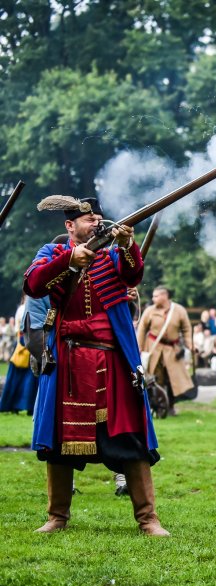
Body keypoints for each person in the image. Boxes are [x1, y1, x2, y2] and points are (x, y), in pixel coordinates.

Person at [24, 195, 167, 535]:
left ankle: (148, 519)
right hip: (68, 361)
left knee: (131, 439)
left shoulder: (113, 254)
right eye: (89, 220)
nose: (96, 224)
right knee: (59, 443)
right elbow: (32, 283)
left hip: (113, 361)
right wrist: (70, 260)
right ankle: (57, 517)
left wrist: (128, 244)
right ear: (70, 225)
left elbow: (133, 276)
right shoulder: (52, 254)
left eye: (98, 218)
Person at [136, 287, 193, 409]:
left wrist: (190, 344)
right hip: (154, 347)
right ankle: (155, 403)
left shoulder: (179, 310)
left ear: (165, 296)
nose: (153, 299)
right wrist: (139, 346)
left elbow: (187, 328)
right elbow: (142, 329)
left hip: (172, 349)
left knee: (173, 379)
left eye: (156, 296)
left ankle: (171, 405)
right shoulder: (149, 311)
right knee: (155, 378)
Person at [0, 296, 39, 414]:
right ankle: (28, 406)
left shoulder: (22, 308)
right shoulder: (28, 308)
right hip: (27, 344)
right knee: (30, 378)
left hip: (23, 344)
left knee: (19, 378)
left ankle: (14, 405)